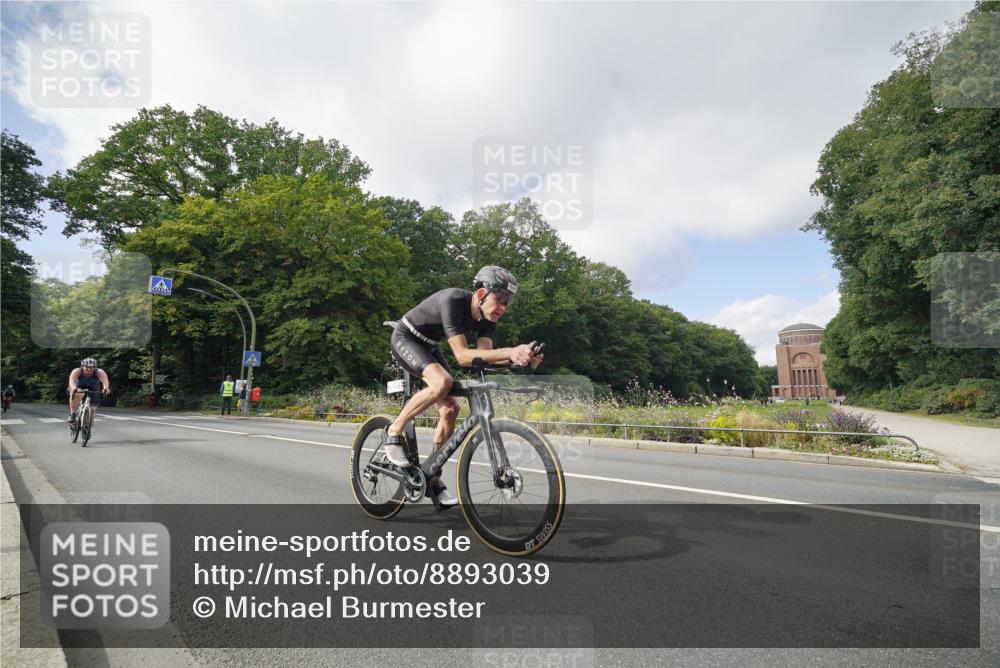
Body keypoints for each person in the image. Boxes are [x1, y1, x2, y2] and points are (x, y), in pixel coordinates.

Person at [385, 266, 544, 506]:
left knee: (450, 409)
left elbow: (483, 358)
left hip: (429, 345)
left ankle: (433, 477)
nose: (503, 307)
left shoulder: (488, 319)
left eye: (507, 302)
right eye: (499, 299)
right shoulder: (453, 301)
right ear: (481, 294)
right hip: (406, 338)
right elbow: (461, 356)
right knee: (443, 382)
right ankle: (394, 431)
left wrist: (519, 359)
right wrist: (511, 350)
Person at [67, 358, 111, 425]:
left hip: (93, 390)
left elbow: (105, 382)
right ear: (82, 366)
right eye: (86, 367)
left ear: (94, 367)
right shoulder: (77, 371)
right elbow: (71, 382)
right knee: (78, 393)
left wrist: (105, 388)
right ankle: (73, 414)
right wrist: (73, 388)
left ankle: (88, 427)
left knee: (93, 409)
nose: (89, 369)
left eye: (91, 367)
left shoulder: (99, 372)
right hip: (78, 388)